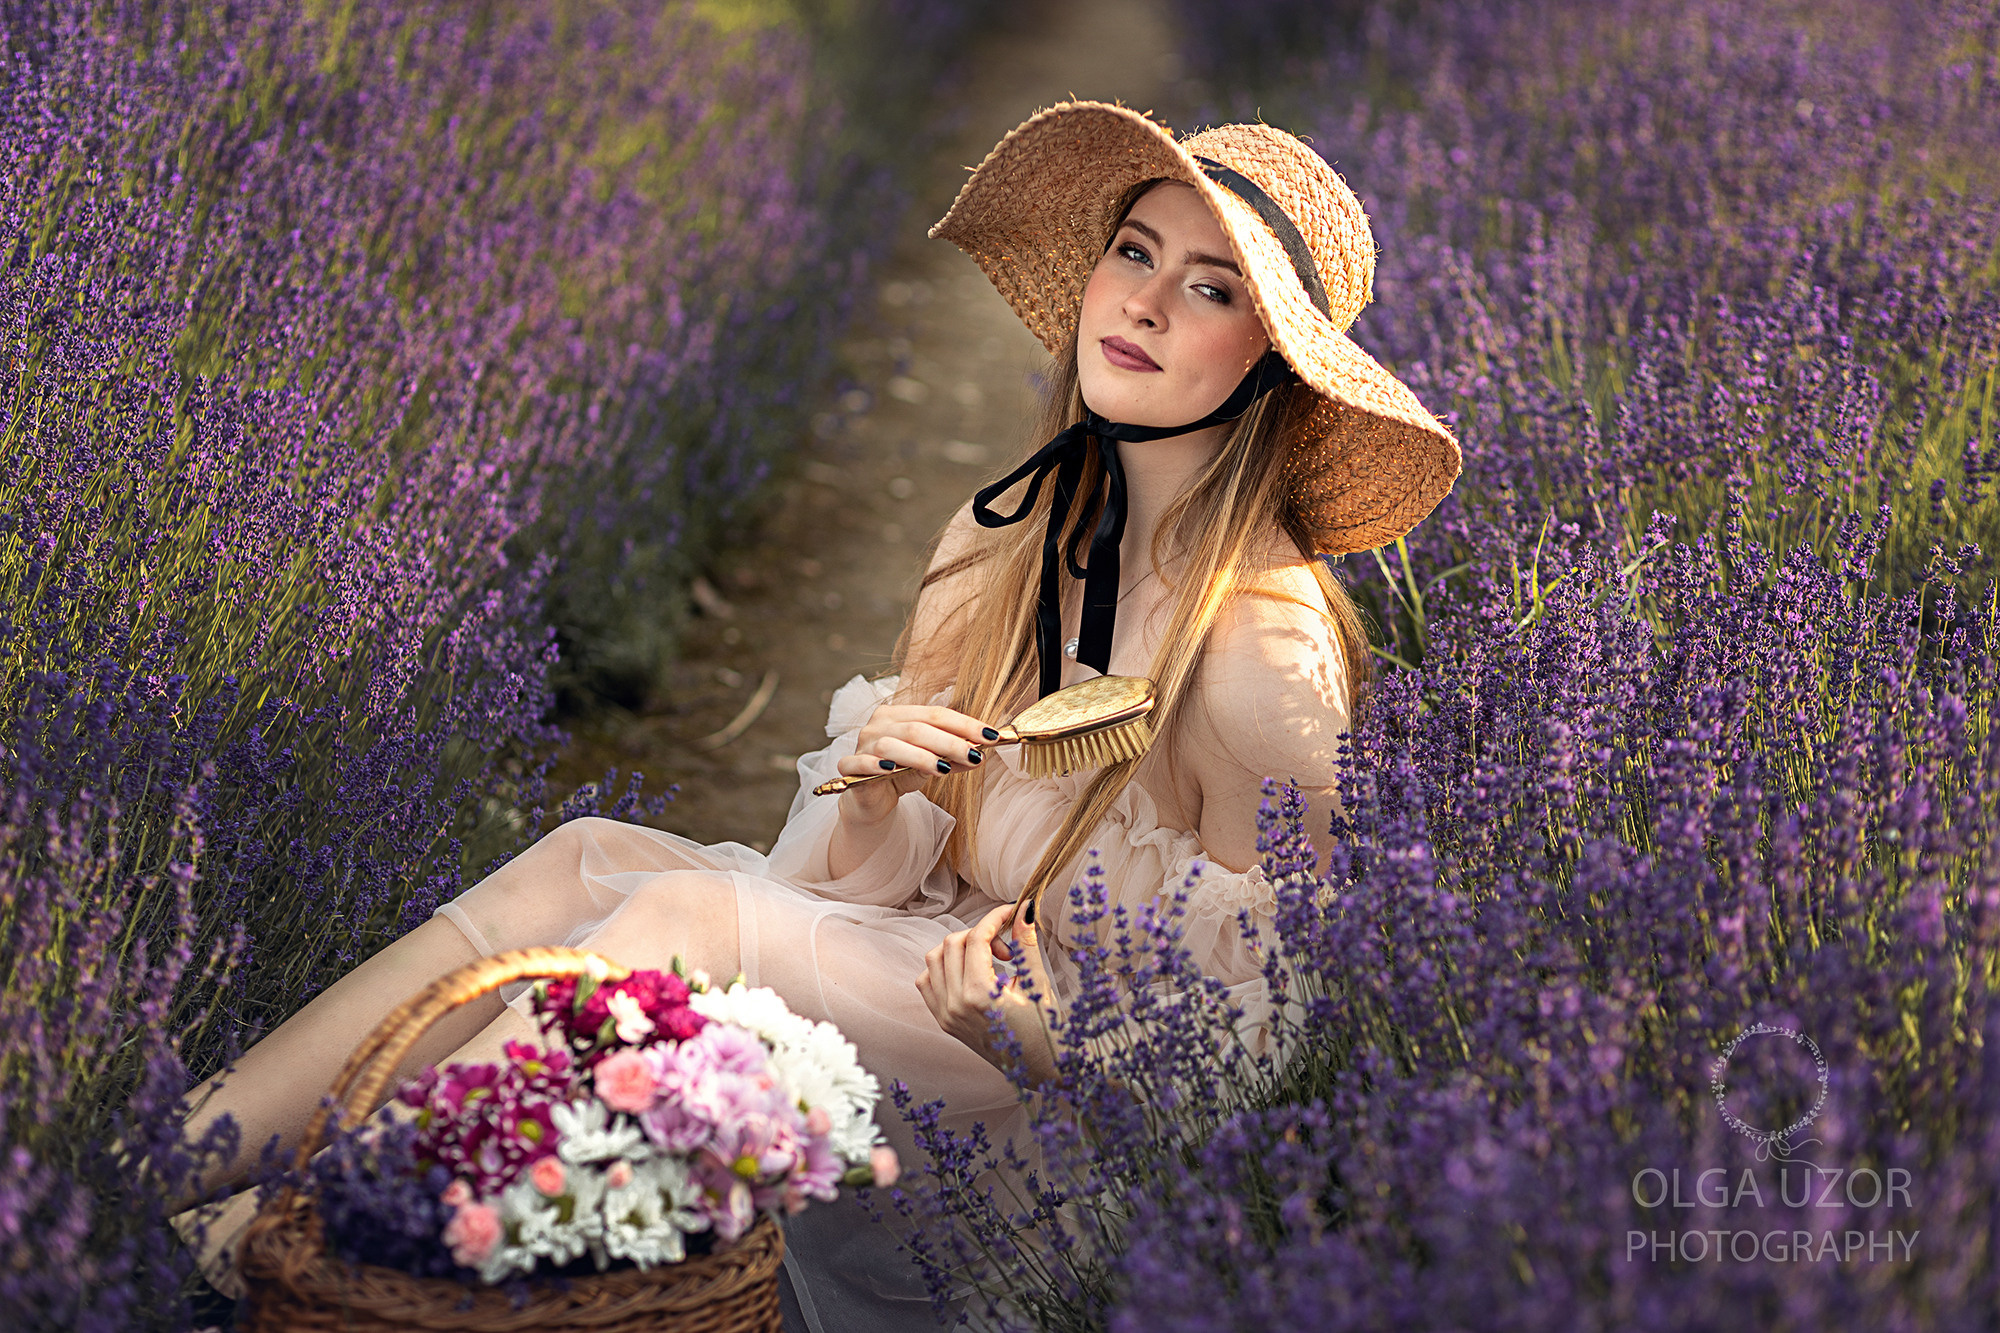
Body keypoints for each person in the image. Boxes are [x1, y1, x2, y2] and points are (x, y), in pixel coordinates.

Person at [172, 101, 1459, 1330]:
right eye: (1134, 251)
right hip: (926, 976)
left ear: (1272, 365)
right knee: (580, 858)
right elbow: (868, 876)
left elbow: (1257, 1036)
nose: (1143, 301)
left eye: (1211, 287)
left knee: (678, 918)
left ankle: (320, 1242)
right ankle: (162, 1169)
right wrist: (883, 787)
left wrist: (1031, 1035)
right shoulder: (1006, 538)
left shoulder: (1256, 655)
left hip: (1043, 1116)